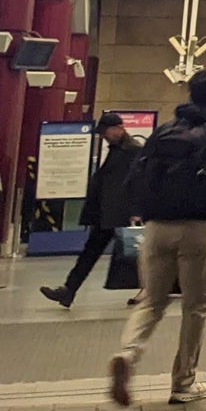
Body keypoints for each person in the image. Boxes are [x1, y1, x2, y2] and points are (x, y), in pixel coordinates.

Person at [108, 69, 206, 408]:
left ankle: (127, 354)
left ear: (189, 94)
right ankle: (183, 382)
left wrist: (144, 211)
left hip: (156, 227)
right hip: (197, 228)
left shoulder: (164, 131)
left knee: (152, 299)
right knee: (195, 306)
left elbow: (136, 174)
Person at [41, 113, 143, 308]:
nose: (104, 136)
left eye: (106, 132)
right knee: (91, 252)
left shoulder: (133, 150)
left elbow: (138, 182)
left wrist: (136, 210)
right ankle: (68, 290)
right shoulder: (117, 149)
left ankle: (152, 290)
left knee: (136, 254)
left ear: (119, 128)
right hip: (108, 212)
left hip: (121, 213)